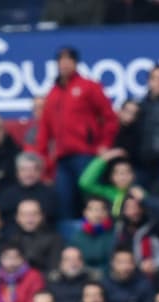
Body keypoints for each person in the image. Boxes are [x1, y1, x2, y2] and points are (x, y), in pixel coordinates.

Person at [36, 47, 120, 221]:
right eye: (61, 60)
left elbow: (110, 118)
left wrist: (104, 144)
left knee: (90, 201)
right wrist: (44, 161)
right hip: (61, 158)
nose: (65, 64)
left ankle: (97, 233)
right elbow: (45, 129)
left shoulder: (89, 86)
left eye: (69, 60)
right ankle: (70, 237)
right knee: (64, 203)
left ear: (76, 63)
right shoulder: (52, 94)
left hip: (86, 154)